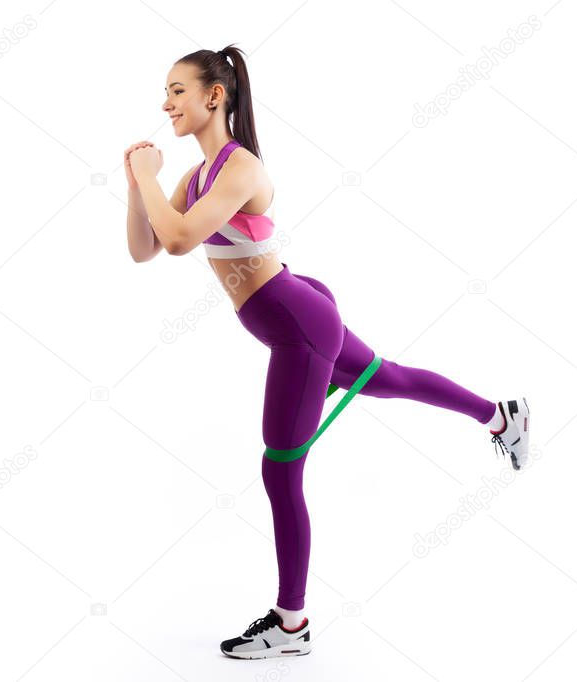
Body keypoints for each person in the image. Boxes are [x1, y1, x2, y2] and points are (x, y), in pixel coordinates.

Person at [124, 44, 530, 660]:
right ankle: (502, 415)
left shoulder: (240, 169)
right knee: (389, 378)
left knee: (279, 468)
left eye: (177, 90)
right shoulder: (195, 177)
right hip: (299, 310)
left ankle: (292, 626)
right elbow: (144, 248)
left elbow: (179, 239)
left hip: (297, 327)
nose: (166, 103)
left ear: (214, 97)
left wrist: (151, 179)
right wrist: (137, 182)